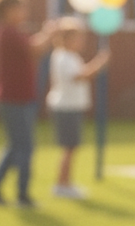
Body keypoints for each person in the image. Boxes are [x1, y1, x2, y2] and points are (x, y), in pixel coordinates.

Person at [0, 0, 57, 207]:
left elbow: (35, 48)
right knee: (25, 147)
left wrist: (46, 36)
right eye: (21, 8)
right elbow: (35, 49)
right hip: (13, 99)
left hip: (18, 98)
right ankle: (22, 196)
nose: (25, 12)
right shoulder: (8, 32)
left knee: (14, 146)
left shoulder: (14, 31)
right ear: (8, 10)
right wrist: (50, 33)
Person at [47, 18, 111, 199]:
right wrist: (100, 62)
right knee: (69, 147)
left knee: (71, 147)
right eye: (77, 38)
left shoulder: (70, 56)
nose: (81, 41)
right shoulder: (63, 57)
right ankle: (62, 184)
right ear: (66, 39)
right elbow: (80, 76)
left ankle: (65, 182)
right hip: (66, 108)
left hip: (71, 107)